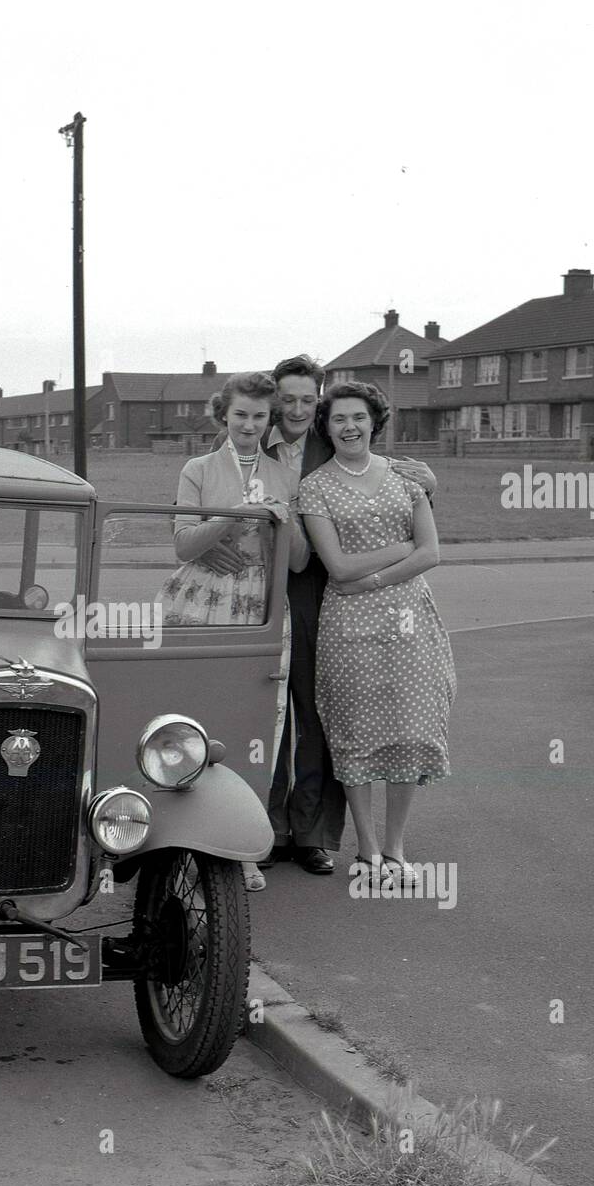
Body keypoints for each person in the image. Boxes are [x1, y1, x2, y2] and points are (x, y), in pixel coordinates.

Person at [202, 354, 437, 877]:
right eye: (287, 399)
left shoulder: (333, 442)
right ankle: (257, 829)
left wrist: (428, 481)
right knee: (259, 710)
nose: (298, 409)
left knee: (314, 710)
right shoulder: (244, 440)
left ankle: (310, 834)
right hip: (250, 588)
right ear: (270, 403)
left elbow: (384, 484)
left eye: (310, 400)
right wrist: (205, 545)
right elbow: (205, 509)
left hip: (318, 589)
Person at [296, 380, 455, 894]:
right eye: (339, 418)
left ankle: (396, 849)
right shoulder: (315, 487)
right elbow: (337, 567)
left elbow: (432, 553)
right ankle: (365, 849)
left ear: (374, 421)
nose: (349, 426)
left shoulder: (407, 476)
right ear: (328, 427)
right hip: (348, 627)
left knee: (411, 729)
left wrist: (377, 577)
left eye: (358, 417)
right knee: (357, 733)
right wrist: (400, 549)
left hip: (410, 622)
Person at [159, 371, 309, 892]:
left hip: (261, 604)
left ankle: (241, 846)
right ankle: (178, 844)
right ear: (224, 414)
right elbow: (183, 545)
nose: (249, 424)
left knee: (254, 723)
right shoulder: (198, 468)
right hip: (200, 601)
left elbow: (299, 559)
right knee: (189, 716)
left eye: (259, 416)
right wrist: (233, 517)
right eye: (240, 414)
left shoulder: (284, 474)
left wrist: (278, 527)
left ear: (270, 421)